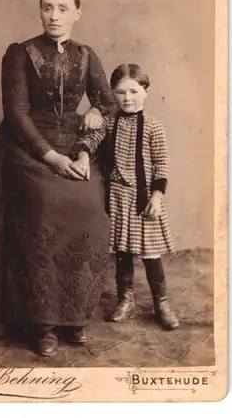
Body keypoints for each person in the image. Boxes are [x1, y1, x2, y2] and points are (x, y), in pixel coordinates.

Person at [0, 0, 116, 357]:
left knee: (91, 209)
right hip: (27, 150)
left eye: (62, 8)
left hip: (75, 150)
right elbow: (17, 113)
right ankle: (41, 323)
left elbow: (107, 105)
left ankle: (74, 318)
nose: (54, 16)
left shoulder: (88, 55)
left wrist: (84, 148)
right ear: (40, 12)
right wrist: (51, 157)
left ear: (78, 12)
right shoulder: (20, 53)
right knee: (43, 206)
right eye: (47, 8)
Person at [72, 63, 180, 330]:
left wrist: (156, 196)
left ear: (146, 92)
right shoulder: (110, 123)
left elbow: (161, 165)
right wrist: (84, 155)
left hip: (144, 200)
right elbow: (90, 140)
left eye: (133, 91)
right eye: (121, 92)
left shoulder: (154, 127)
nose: (127, 98)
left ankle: (162, 303)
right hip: (118, 199)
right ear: (113, 94)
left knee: (151, 256)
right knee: (122, 253)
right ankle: (126, 300)